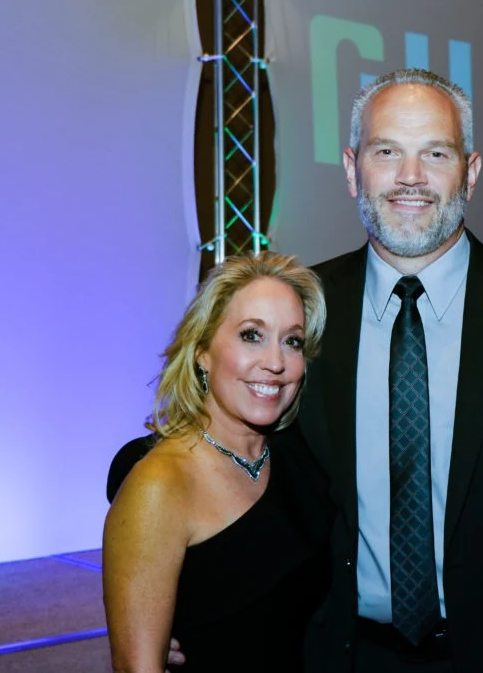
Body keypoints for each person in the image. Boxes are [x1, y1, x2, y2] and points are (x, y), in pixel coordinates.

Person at [159, 67, 483, 672]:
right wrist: (173, 578)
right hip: (345, 657)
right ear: (351, 169)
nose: (410, 176)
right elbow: (227, 449)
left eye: (435, 153)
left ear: (470, 172)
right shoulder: (305, 308)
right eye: (386, 151)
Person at [102, 252, 333, 673]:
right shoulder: (160, 484)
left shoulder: (298, 454)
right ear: (202, 351)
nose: (276, 362)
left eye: (292, 341)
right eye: (251, 335)